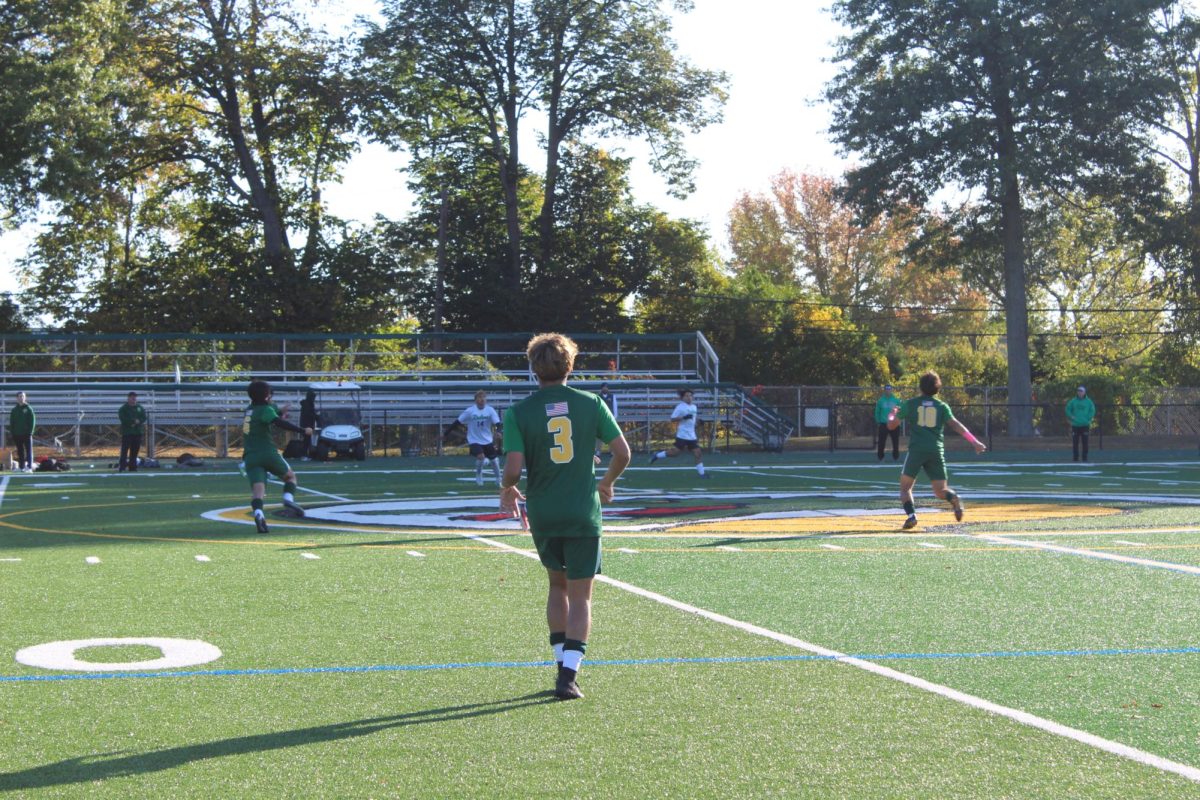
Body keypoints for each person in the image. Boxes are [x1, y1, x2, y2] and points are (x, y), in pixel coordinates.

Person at [500, 333, 631, 701]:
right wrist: (606, 483)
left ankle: (560, 664)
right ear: (570, 365)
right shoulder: (591, 403)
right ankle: (569, 676)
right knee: (582, 595)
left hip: (544, 510)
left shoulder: (519, 412)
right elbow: (622, 452)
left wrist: (507, 487)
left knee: (556, 587)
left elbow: (513, 467)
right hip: (581, 511)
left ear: (533, 368)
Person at [887, 371, 986, 530]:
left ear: (920, 387)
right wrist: (974, 441)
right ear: (938, 388)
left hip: (917, 450)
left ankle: (912, 516)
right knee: (941, 490)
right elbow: (955, 424)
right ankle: (953, 497)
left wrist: (891, 414)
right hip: (936, 450)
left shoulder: (911, 404)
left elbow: (891, 425)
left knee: (905, 488)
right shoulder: (941, 406)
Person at [242, 380, 313, 533]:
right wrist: (302, 430)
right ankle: (288, 501)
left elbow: (269, 415)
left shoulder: (249, 410)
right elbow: (277, 422)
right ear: (267, 396)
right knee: (290, 477)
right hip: (268, 453)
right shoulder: (267, 409)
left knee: (258, 490)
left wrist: (280, 411)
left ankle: (259, 514)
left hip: (250, 456)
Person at [647, 389, 708, 478]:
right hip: (682, 434)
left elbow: (693, 418)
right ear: (682, 398)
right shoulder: (680, 407)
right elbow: (672, 419)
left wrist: (699, 421)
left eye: (690, 395)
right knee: (675, 453)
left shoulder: (694, 407)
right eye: (686, 396)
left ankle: (702, 474)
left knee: (698, 453)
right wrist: (683, 417)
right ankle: (657, 455)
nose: (689, 397)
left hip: (691, 435)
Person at [453, 390, 502, 486]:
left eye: (483, 397)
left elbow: (498, 423)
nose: (482, 399)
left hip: (487, 440)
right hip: (474, 440)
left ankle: (498, 478)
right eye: (479, 397)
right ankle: (479, 474)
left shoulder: (490, 410)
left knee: (495, 461)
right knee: (481, 457)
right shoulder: (470, 411)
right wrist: (446, 434)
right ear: (475, 400)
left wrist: (498, 431)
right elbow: (457, 422)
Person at [117, 391, 148, 472]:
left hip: (138, 432)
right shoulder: (123, 408)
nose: (133, 399)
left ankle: (133, 467)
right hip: (127, 432)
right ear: (128, 398)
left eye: (135, 397)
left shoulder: (139, 407)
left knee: (135, 451)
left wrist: (139, 421)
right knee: (124, 451)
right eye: (132, 397)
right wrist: (133, 422)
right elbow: (123, 418)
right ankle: (122, 467)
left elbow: (144, 417)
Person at [1065, 385, 1096, 462]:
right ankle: (1075, 458)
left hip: (1085, 425)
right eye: (1078, 391)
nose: (1079, 392)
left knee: (1085, 442)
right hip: (1075, 425)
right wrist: (1071, 416)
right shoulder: (1073, 401)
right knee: (1075, 443)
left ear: (1084, 392)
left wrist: (1087, 419)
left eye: (1081, 391)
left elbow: (1092, 411)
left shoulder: (1089, 402)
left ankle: (1084, 458)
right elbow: (1067, 409)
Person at [874, 384, 902, 461]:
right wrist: (878, 421)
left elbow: (900, 412)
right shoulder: (880, 401)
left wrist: (899, 421)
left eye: (889, 389)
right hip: (884, 424)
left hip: (894, 424)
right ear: (884, 390)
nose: (888, 390)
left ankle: (896, 457)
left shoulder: (896, 400)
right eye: (886, 389)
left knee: (895, 442)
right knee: (881, 442)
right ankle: (880, 457)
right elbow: (877, 412)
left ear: (891, 390)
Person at [9, 391, 34, 473]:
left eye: (23, 396)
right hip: (17, 434)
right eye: (20, 396)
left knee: (28, 451)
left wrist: (30, 431)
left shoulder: (28, 408)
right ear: (17, 398)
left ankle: (29, 467)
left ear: (25, 397)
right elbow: (12, 422)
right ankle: (21, 467)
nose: (21, 398)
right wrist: (12, 432)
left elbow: (32, 421)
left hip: (27, 434)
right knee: (20, 451)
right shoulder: (14, 409)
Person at [594, 382, 618, 459]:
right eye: (603, 387)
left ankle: (611, 451)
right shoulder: (598, 397)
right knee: (599, 436)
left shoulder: (612, 396)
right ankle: (598, 451)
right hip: (600, 419)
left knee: (611, 435)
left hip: (610, 419)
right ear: (601, 389)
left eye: (606, 387)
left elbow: (615, 407)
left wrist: (614, 418)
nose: (605, 389)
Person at [299, 389, 318, 459]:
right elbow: (308, 414)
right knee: (306, 441)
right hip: (306, 425)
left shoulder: (309, 404)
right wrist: (316, 416)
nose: (314, 399)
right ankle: (303, 455)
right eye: (313, 397)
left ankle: (307, 454)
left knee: (307, 440)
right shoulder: (307, 404)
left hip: (308, 425)